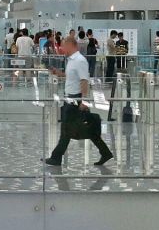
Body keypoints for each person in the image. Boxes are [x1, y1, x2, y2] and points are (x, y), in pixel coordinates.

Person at [44, 36, 113, 167]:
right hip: (70, 98)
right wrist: (59, 73)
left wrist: (84, 101)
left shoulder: (80, 60)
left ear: (71, 45)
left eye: (64, 46)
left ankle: (56, 158)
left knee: (66, 130)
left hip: (76, 99)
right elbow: (72, 76)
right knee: (85, 129)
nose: (62, 48)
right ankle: (105, 153)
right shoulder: (71, 60)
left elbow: (84, 80)